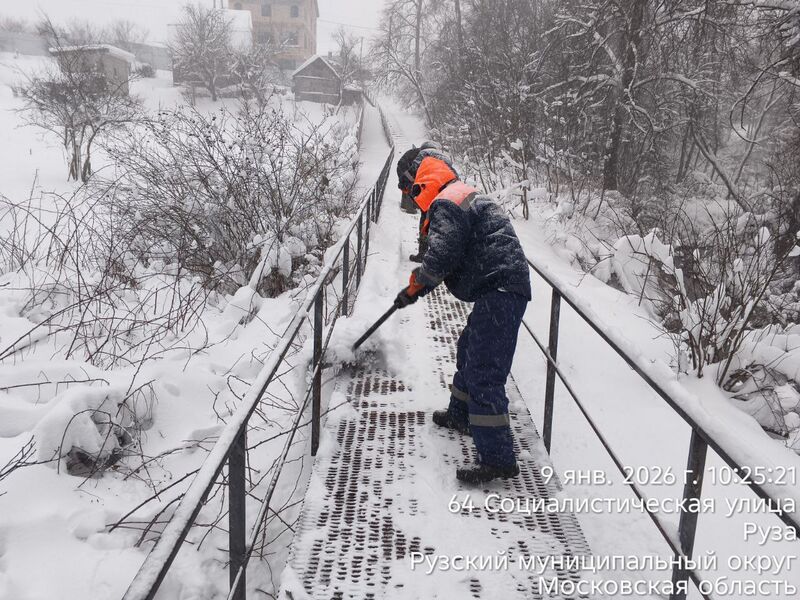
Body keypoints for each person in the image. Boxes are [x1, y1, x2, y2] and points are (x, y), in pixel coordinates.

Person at [393, 150, 532, 484]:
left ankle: (498, 459)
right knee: (469, 349)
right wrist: (418, 286)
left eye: (408, 189)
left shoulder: (446, 202)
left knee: (484, 370)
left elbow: (442, 256)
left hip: (502, 289)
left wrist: (414, 288)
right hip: (497, 287)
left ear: (417, 181)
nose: (410, 197)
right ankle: (460, 415)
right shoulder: (456, 193)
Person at [396, 141, 458, 263]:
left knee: (425, 221)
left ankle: (423, 254)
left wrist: (404, 184)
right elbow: (455, 178)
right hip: (447, 193)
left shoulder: (423, 155)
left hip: (429, 193)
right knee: (443, 222)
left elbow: (411, 172)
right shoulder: (445, 159)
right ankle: (441, 254)